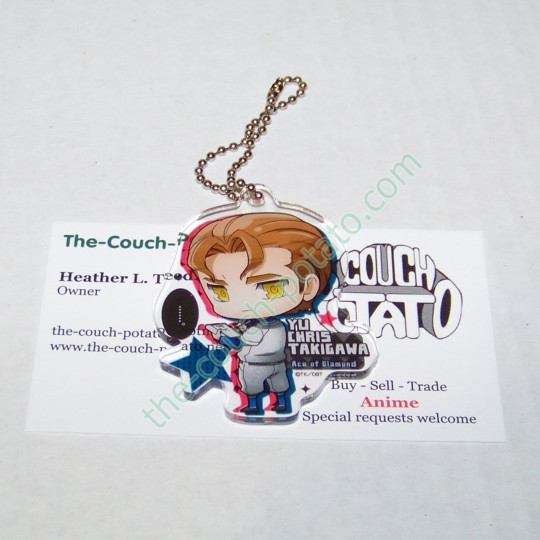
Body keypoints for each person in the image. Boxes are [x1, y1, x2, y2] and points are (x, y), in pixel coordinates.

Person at [183, 212, 333, 414]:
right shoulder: (260, 325)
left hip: (257, 364)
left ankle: (263, 404)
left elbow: (237, 343)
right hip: (269, 364)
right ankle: (270, 403)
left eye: (269, 287)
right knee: (270, 386)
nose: (243, 303)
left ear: (308, 286)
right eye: (219, 291)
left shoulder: (269, 327)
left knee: (261, 387)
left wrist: (220, 336)